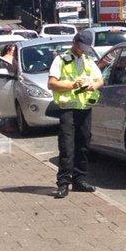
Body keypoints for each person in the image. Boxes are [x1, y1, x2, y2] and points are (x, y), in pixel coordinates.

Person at [47, 34, 104, 198]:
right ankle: (64, 183)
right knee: (67, 146)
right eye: (81, 47)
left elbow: (100, 79)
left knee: (84, 144)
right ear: (74, 42)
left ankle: (79, 180)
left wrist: (94, 85)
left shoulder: (88, 60)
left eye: (85, 48)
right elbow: (51, 83)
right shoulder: (61, 60)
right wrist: (73, 85)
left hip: (85, 107)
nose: (83, 50)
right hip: (68, 108)